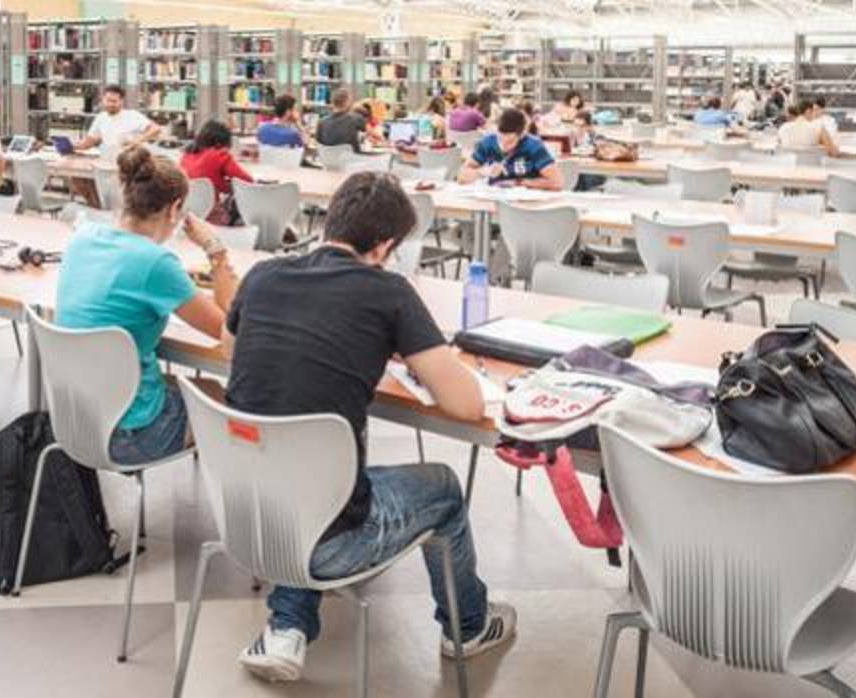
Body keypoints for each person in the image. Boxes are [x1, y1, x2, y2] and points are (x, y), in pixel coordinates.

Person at [221, 170, 514, 683]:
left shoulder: (263, 276)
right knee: (443, 486)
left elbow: (231, 351)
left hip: (247, 515)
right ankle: (467, 627)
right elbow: (466, 405)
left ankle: (287, 626)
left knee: (311, 464)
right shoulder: (388, 294)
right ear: (384, 246)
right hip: (329, 539)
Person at [56, 147, 238, 464]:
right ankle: (243, 507)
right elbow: (228, 337)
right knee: (230, 403)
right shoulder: (155, 262)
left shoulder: (82, 237)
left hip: (76, 419)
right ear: (175, 209)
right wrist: (215, 250)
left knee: (201, 386)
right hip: (132, 435)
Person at [458, 108, 563, 191]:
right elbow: (461, 176)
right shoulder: (488, 143)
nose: (503, 146)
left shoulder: (534, 146)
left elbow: (557, 182)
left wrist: (517, 183)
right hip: (495, 202)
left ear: (522, 135)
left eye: (509, 142)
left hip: (526, 206)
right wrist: (482, 172)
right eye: (500, 139)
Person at [180, 120, 253, 225]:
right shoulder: (220, 155)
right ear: (220, 143)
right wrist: (228, 186)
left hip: (187, 214)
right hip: (212, 215)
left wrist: (224, 184)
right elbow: (247, 181)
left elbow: (208, 180)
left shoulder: (186, 155)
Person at [75, 84, 162, 153]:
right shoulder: (101, 118)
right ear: (102, 100)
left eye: (114, 101)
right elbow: (90, 140)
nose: (110, 104)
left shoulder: (132, 115)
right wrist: (74, 146)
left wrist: (137, 140)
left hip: (130, 158)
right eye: (108, 100)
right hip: (109, 157)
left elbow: (156, 129)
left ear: (121, 101)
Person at [315, 88, 368, 153]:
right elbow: (368, 132)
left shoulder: (321, 122)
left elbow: (318, 143)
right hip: (351, 160)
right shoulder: (356, 118)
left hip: (328, 160)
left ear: (332, 102)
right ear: (347, 102)